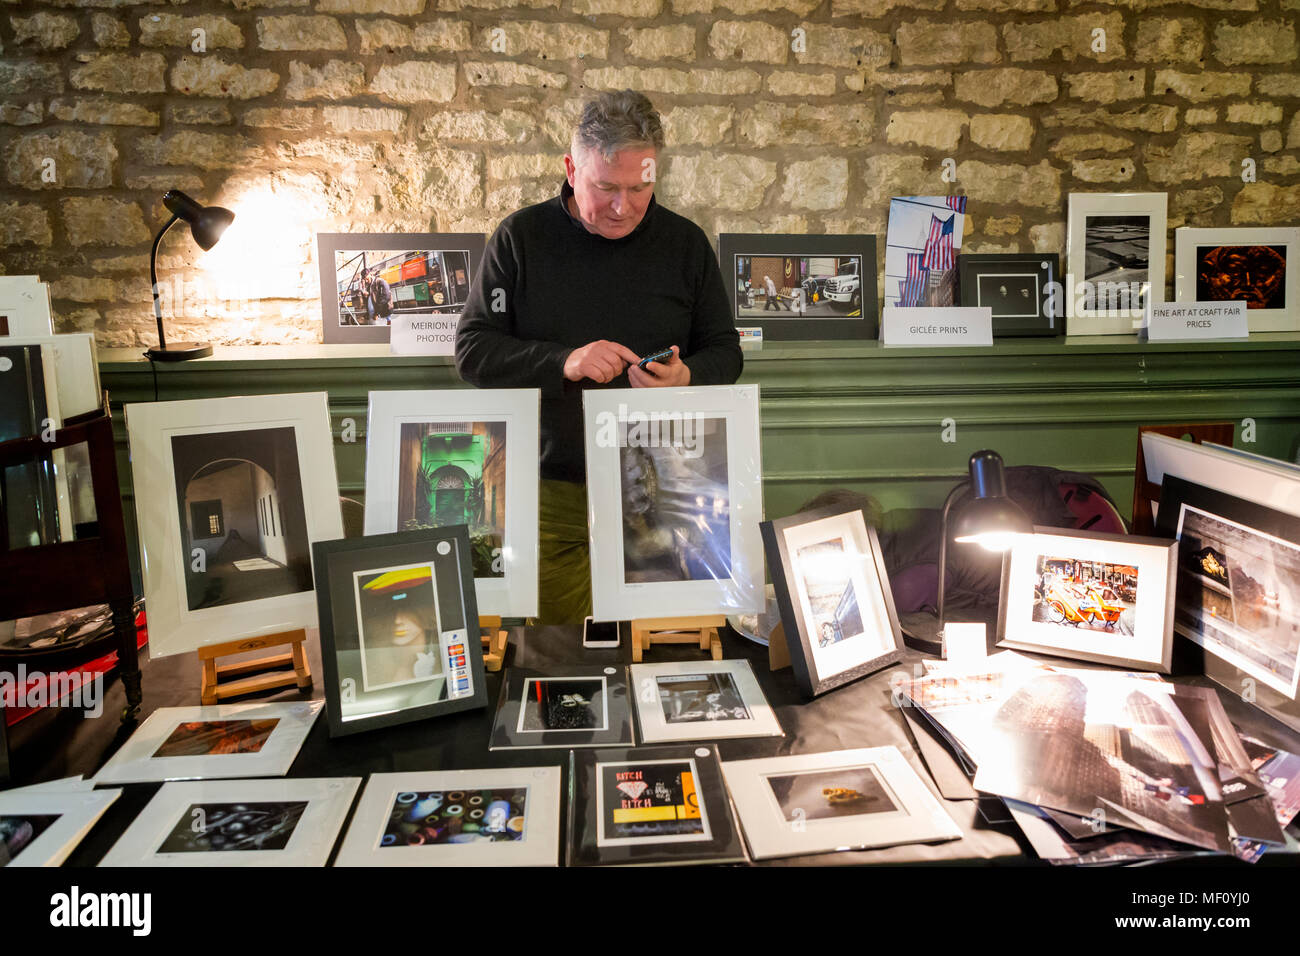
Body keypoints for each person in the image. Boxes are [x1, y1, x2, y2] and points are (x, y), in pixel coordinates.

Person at [455, 89, 742, 624]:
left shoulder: (685, 244)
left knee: (662, 652)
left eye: (641, 187)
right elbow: (472, 352)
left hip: (664, 494)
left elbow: (726, 351)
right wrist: (563, 361)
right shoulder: (521, 238)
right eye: (605, 187)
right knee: (559, 658)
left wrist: (688, 375)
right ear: (570, 168)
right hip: (551, 491)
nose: (624, 206)